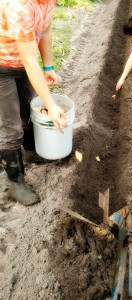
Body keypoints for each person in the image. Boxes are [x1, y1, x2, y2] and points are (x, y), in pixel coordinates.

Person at [0, 0, 68, 206]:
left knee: (29, 110)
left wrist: (48, 67)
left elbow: (45, 31)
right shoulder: (18, 7)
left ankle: (30, 151)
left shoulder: (48, 1)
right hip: (2, 69)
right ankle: (15, 182)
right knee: (10, 127)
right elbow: (30, 61)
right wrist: (51, 105)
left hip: (20, 65)